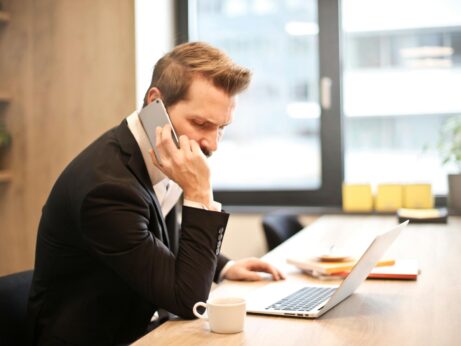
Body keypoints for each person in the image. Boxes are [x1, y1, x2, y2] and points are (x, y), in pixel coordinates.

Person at [27, 42, 285, 345]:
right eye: (200, 123)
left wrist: (223, 266)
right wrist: (199, 192)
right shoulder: (106, 189)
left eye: (221, 128)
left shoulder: (161, 149)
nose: (211, 144)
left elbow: (156, 231)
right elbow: (189, 300)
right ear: (155, 104)